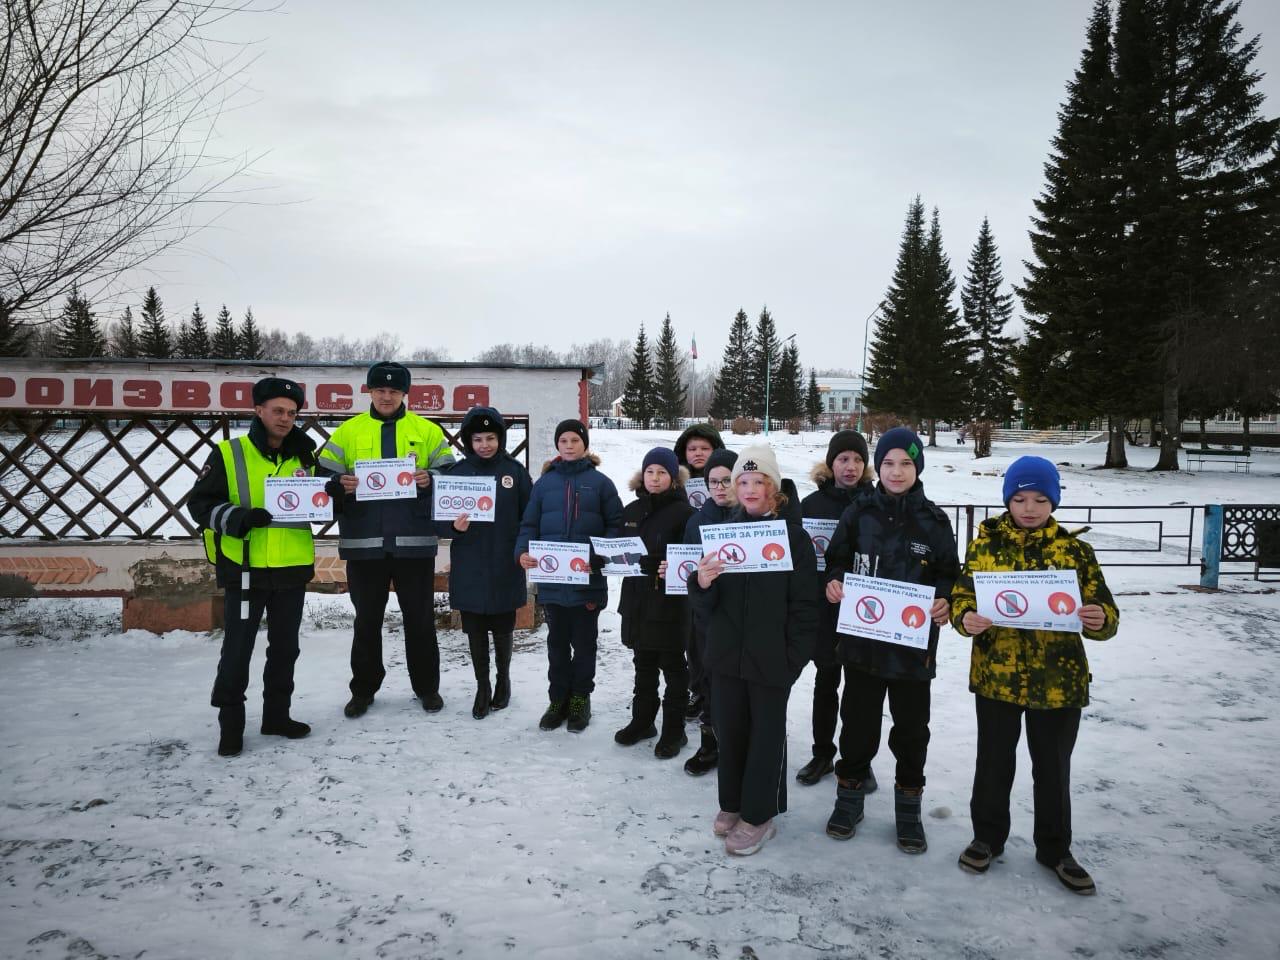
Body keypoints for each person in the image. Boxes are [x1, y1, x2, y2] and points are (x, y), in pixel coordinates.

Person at [950, 456, 1119, 895]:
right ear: (1007, 499)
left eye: (1041, 499)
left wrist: (1098, 618)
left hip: (1058, 682)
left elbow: (1107, 613)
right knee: (993, 762)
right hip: (996, 678)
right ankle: (987, 837)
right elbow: (961, 597)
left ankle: (1055, 848)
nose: (1029, 507)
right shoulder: (984, 547)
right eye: (1020, 498)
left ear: (1054, 501)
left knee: (1053, 768)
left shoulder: (1075, 552)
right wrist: (965, 617)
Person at [823, 427, 958, 853]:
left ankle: (908, 809)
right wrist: (834, 582)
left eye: (905, 463)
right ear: (876, 467)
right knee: (858, 728)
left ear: (918, 467)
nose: (896, 472)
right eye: (887, 463)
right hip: (863, 647)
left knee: (912, 732)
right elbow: (837, 560)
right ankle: (849, 798)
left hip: (912, 654)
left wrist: (946, 601)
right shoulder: (858, 513)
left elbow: (949, 573)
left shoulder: (934, 521)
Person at [688, 443, 818, 856]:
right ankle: (733, 802)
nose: (747, 488)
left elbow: (805, 606)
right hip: (726, 656)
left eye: (756, 481)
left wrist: (792, 659)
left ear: (773, 488)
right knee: (731, 730)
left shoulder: (793, 539)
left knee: (765, 737)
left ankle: (760, 814)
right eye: (740, 481)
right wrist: (702, 583)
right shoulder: (724, 533)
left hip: (771, 659)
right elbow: (704, 604)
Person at [316, 361, 456, 718]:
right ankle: (363, 690)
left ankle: (427, 688)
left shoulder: (425, 430)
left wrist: (431, 478)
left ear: (405, 394)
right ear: (369, 391)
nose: (387, 396)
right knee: (366, 622)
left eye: (394, 391)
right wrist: (339, 486)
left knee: (420, 620)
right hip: (364, 545)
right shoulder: (348, 431)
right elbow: (323, 479)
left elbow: (451, 474)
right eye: (380, 390)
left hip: (414, 543)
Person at [189, 377, 316, 757]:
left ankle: (277, 716)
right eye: (278, 411)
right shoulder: (229, 453)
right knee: (238, 647)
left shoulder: (305, 455)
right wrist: (239, 517)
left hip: (292, 567)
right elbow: (199, 505)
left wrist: (332, 497)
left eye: (292, 413)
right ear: (258, 410)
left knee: (285, 649)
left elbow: (320, 503)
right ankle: (231, 724)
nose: (285, 419)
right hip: (245, 568)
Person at [516, 419, 623, 733]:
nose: (569, 445)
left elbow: (614, 525)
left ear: (585, 444)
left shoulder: (601, 483)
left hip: (587, 582)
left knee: (585, 644)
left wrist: (598, 557)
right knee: (557, 644)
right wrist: (522, 552)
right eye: (563, 440)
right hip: (552, 583)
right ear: (557, 445)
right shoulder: (544, 484)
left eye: (575, 440)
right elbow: (529, 525)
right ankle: (557, 699)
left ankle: (580, 700)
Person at [796, 431, 878, 790]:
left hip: (866, 611)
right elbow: (799, 555)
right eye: (843, 459)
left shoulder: (877, 502)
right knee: (825, 682)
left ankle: (858, 759)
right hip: (824, 607)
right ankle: (822, 753)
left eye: (858, 460)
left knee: (861, 691)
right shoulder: (812, 504)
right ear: (831, 463)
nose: (851, 467)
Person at [439, 407, 533, 719]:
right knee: (475, 627)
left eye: (490, 438)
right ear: (468, 441)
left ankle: (502, 680)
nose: (484, 444)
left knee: (503, 626)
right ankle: (482, 686)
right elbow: (436, 521)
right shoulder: (457, 473)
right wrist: (453, 527)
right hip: (470, 564)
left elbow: (529, 517)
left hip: (505, 561)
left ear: (500, 439)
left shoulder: (515, 472)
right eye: (477, 439)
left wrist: (523, 549)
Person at [614, 447, 695, 757]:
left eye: (662, 472)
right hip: (636, 601)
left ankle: (674, 732)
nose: (655, 477)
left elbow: (691, 557)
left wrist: (664, 562)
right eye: (650, 472)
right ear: (642, 475)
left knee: (674, 668)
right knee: (643, 665)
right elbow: (619, 547)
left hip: (670, 605)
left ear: (674, 478)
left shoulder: (685, 513)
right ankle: (642, 721)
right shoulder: (631, 510)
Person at [680, 447, 738, 776]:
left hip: (740, 617)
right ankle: (709, 743)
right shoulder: (697, 520)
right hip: (705, 618)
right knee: (706, 681)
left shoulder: (750, 517)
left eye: (727, 480)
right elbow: (687, 566)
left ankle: (734, 743)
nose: (719, 488)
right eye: (713, 482)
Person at [675, 422, 727, 722]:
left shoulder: (736, 490)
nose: (697, 453)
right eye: (692, 448)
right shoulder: (674, 479)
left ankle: (715, 698)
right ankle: (698, 690)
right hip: (689, 563)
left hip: (721, 567)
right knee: (693, 637)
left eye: (704, 448)